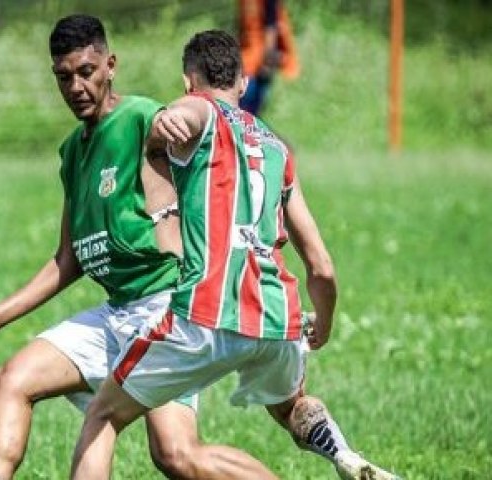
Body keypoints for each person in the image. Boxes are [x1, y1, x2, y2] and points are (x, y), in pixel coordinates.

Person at [0, 15, 278, 480]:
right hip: (114, 316)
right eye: (63, 76)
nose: (76, 86)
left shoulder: (142, 118)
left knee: (176, 455)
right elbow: (67, 260)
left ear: (110, 65)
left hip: (162, 312)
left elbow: (199, 146)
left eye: (87, 71)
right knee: (10, 381)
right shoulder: (73, 151)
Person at [70, 30, 401, 480]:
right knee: (292, 406)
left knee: (104, 415)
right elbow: (321, 267)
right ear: (244, 84)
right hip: (276, 318)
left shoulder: (197, 109)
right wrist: (321, 322)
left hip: (207, 314)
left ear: (189, 80)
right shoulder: (277, 149)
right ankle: (341, 452)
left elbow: (185, 116)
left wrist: (167, 119)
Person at [238, 0, 300, 115]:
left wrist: (267, 61)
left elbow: (271, 25)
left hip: (259, 64)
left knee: (247, 114)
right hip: (247, 61)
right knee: (243, 114)